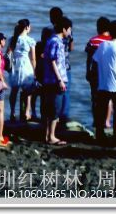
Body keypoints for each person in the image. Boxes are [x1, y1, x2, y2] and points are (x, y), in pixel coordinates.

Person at [93, 20, 116, 146]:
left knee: (100, 112)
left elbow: (96, 61)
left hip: (103, 84)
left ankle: (100, 136)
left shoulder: (102, 45)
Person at [43, 17, 72, 146]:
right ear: (64, 29)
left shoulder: (51, 40)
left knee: (51, 108)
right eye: (69, 29)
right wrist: (60, 79)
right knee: (55, 109)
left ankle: (48, 135)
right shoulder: (57, 42)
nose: (70, 32)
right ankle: (51, 136)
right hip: (55, 79)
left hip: (49, 79)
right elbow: (53, 61)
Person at [85, 16, 112, 133]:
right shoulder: (112, 40)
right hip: (108, 72)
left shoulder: (93, 41)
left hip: (95, 72)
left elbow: (89, 58)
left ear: (98, 27)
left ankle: (96, 120)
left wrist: (87, 71)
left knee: (95, 97)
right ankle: (107, 121)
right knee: (108, 97)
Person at [7, 20, 36, 122]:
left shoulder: (12, 39)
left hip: (15, 66)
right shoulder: (30, 40)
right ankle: (27, 111)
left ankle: (12, 112)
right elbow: (33, 58)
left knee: (14, 91)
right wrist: (34, 71)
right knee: (28, 91)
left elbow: (8, 54)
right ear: (27, 27)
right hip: (26, 66)